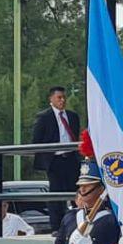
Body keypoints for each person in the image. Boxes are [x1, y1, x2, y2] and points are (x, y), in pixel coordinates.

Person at [31, 86, 81, 233]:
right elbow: (37, 140)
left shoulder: (72, 116)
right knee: (56, 193)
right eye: (59, 97)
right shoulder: (44, 117)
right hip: (55, 160)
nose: (62, 100)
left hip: (71, 158)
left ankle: (79, 223)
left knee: (75, 190)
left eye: (64, 97)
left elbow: (75, 135)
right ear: (51, 99)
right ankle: (57, 226)